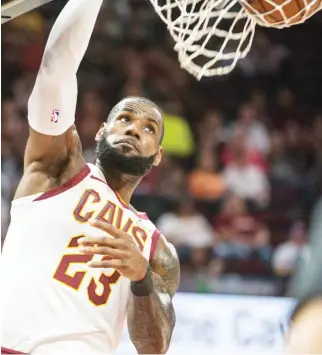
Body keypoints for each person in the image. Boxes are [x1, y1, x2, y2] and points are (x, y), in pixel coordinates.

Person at [1, 0, 180, 354]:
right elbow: (57, 68)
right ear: (100, 131)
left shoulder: (156, 248)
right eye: (125, 119)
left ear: (157, 155)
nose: (133, 129)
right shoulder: (59, 166)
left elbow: (153, 347)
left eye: (148, 128)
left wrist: (141, 275)